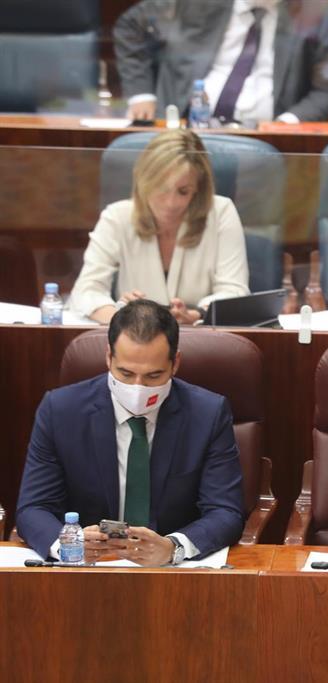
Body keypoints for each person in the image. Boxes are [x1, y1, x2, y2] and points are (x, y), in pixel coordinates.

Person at [16, 299, 245, 566]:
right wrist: (68, 545)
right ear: (108, 358)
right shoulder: (60, 410)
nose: (138, 387)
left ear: (175, 363)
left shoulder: (208, 413)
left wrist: (174, 547)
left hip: (172, 570)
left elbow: (225, 511)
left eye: (153, 376)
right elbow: (34, 507)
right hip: (88, 567)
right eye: (125, 373)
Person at [69, 129, 250, 325]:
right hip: (134, 339)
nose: (170, 203)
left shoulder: (221, 212)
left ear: (198, 188)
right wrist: (122, 318)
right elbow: (86, 290)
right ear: (144, 181)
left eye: (183, 191)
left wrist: (196, 315)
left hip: (198, 335)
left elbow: (234, 291)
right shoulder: (117, 217)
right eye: (162, 188)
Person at [115, 0, 328, 123]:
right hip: (184, 129)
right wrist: (141, 95)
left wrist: (286, 125)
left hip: (267, 142)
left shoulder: (318, 11)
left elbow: (327, 90)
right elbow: (131, 26)